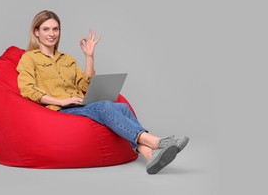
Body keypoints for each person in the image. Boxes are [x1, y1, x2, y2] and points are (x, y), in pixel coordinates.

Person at [17, 10, 189, 174]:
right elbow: (27, 89)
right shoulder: (29, 58)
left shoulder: (66, 59)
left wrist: (89, 57)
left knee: (122, 108)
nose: (51, 33)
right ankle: (158, 142)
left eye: (55, 29)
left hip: (78, 103)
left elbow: (86, 85)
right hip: (60, 109)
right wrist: (60, 101)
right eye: (46, 29)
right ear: (36, 32)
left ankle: (149, 155)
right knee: (105, 106)